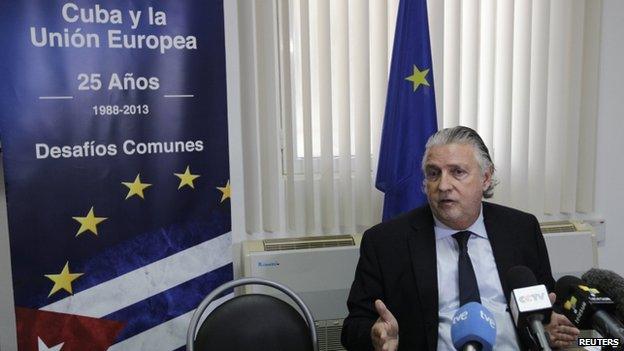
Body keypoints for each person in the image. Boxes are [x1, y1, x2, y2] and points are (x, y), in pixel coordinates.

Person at [341, 126, 580, 350]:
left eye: (458, 172)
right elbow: (353, 328)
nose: (443, 185)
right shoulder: (386, 242)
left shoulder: (521, 229)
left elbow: (547, 303)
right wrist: (375, 334)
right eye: (434, 174)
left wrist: (549, 323)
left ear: (486, 177)